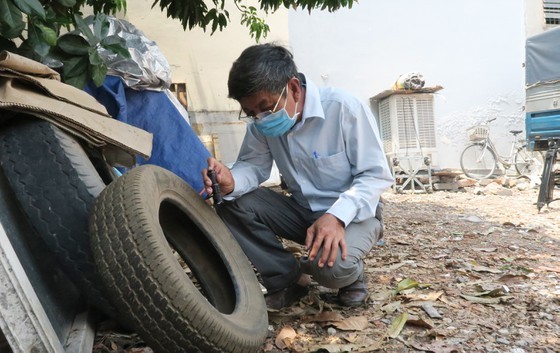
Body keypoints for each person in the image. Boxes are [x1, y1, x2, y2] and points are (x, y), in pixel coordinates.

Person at [202, 43, 393, 309]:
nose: (260, 118)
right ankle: (288, 279)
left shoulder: (343, 108)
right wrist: (231, 180)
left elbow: (376, 176)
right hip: (302, 211)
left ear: (293, 87)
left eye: (265, 107)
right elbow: (253, 166)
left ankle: (352, 275)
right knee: (231, 200)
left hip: (353, 215)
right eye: (251, 113)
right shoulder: (261, 124)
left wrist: (337, 216)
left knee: (330, 269)